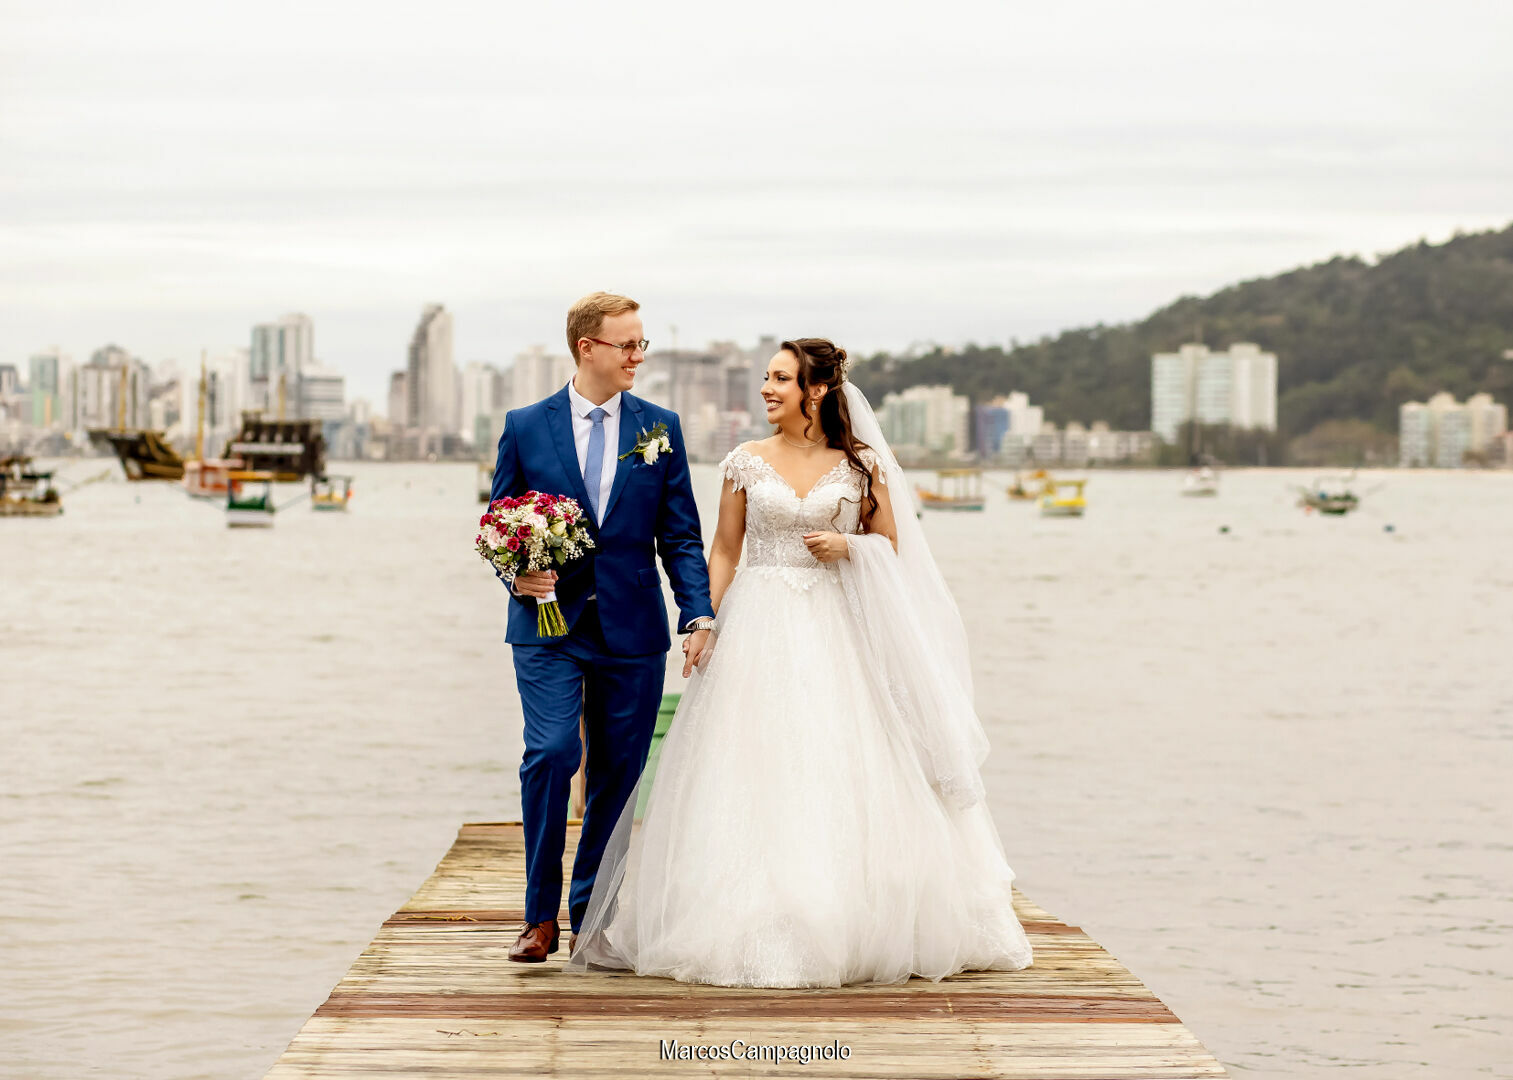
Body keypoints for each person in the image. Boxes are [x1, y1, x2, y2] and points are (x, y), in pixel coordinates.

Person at [568, 338, 1034, 987]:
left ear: (815, 391)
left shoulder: (861, 464)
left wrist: (850, 545)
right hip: (756, 623)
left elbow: (892, 548)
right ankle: (754, 910)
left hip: (836, 629)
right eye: (766, 376)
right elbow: (725, 550)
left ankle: (846, 911)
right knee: (753, 763)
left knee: (836, 757)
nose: (766, 388)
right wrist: (702, 621)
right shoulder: (744, 462)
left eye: (780, 378)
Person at [489, 291, 715, 963]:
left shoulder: (659, 428)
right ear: (587, 347)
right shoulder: (526, 425)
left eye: (642, 344)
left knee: (618, 775)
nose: (638, 356)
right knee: (553, 752)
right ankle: (537, 918)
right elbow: (500, 521)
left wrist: (696, 613)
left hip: (633, 627)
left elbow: (680, 536)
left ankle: (590, 918)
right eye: (628, 344)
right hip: (547, 626)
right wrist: (515, 574)